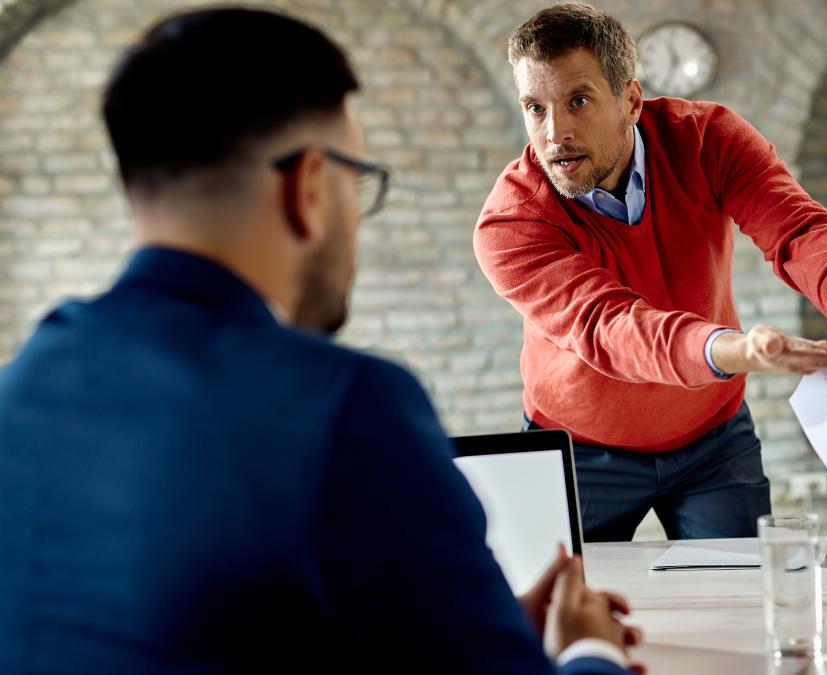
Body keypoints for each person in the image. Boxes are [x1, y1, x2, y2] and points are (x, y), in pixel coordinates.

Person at [0, 8, 638, 674]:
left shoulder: (19, 389)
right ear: (309, 187)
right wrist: (588, 648)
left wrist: (468, 618)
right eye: (355, 183)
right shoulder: (346, 407)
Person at [474, 3, 827, 542]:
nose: (555, 134)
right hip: (579, 449)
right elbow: (610, 327)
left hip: (713, 440)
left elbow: (793, 224)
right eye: (535, 107)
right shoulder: (511, 222)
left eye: (578, 101)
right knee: (563, 613)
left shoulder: (708, 139)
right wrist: (739, 352)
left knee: (738, 600)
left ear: (630, 101)